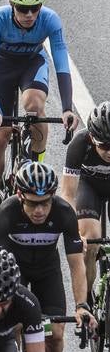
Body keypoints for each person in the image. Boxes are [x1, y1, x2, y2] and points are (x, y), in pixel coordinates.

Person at [0, 0, 77, 233]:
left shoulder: (50, 20)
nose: (30, 14)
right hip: (0, 70)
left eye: (35, 8)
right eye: (23, 8)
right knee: (1, 135)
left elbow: (61, 63)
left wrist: (68, 107)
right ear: (12, 5)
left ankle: (35, 163)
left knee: (34, 107)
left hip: (31, 65)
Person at [0, 161, 93, 352]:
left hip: (47, 272)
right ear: (19, 196)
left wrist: (81, 304)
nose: (39, 210)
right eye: (33, 203)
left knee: (56, 334)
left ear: (53, 198)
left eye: (45, 203)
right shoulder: (6, 213)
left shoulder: (64, 213)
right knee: (14, 327)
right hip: (15, 273)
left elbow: (76, 264)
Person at [62, 102, 110, 297]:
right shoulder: (80, 144)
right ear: (92, 138)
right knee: (89, 241)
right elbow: (67, 194)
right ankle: (87, 298)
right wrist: (75, 232)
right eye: (105, 145)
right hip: (89, 187)